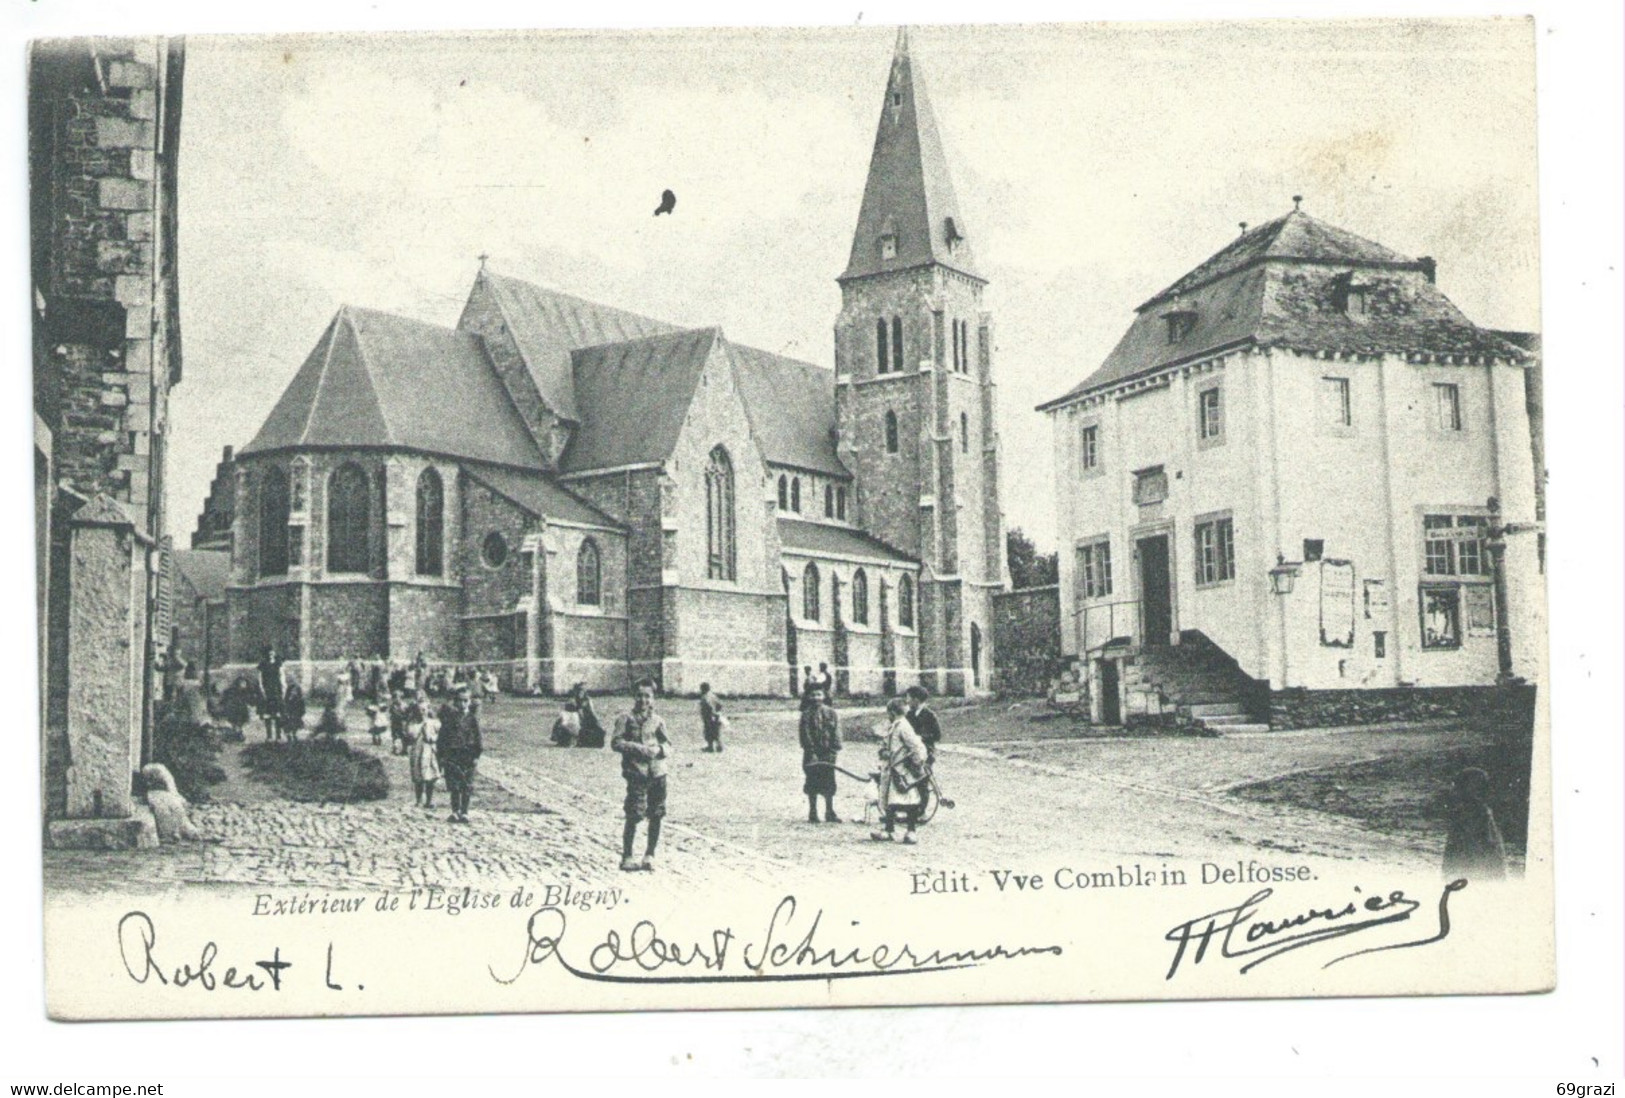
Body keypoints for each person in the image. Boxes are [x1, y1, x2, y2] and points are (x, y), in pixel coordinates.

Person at [611, 679, 671, 872]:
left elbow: (669, 744)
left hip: (658, 772)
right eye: (640, 695)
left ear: (653, 698)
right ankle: (627, 855)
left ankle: (649, 855)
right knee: (634, 813)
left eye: (647, 696)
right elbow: (616, 742)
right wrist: (639, 749)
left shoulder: (658, 720)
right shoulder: (625, 718)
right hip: (636, 773)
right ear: (634, 696)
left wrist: (660, 750)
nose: (643, 700)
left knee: (656, 813)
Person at [873, 697, 929, 844]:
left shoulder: (903, 726)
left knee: (908, 801)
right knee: (891, 801)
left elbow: (916, 746)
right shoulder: (895, 726)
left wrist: (916, 765)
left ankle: (911, 831)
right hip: (892, 769)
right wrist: (884, 752)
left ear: (891, 712)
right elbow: (889, 745)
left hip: (902, 771)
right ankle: (889, 830)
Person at [1443, 767, 1508, 880]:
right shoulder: (1466, 812)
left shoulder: (1478, 813)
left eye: (1456, 787)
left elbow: (1485, 848)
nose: (1452, 791)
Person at [438, 687, 482, 823]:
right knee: (454, 785)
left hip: (467, 755)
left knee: (466, 785)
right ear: (455, 702)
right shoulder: (449, 719)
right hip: (452, 755)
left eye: (465, 701)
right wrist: (441, 756)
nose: (462, 704)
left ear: (469, 702)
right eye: (460, 701)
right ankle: (455, 811)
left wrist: (476, 755)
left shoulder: (472, 719)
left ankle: (465, 812)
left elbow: (478, 738)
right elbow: (442, 738)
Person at [800, 690, 842, 823]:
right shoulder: (806, 715)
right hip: (812, 754)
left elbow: (836, 731)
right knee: (812, 782)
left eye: (819, 694)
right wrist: (811, 751)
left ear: (824, 696)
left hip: (827, 753)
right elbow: (804, 734)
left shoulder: (831, 713)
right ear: (808, 697)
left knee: (829, 781)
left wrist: (834, 750)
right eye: (813, 694)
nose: (816, 697)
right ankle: (813, 812)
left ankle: (829, 811)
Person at [410, 696, 441, 809]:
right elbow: (411, 735)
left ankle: (429, 800)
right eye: (419, 710)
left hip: (429, 752)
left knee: (430, 777)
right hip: (418, 752)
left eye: (424, 709)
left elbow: (439, 735)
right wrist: (421, 725)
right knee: (418, 777)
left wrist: (434, 738)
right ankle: (418, 800)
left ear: (428, 709)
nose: (421, 712)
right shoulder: (414, 724)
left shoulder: (434, 723)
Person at [905, 685, 943, 763]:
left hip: (925, 749)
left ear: (916, 700)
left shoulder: (929, 715)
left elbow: (937, 736)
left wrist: (920, 737)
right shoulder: (909, 714)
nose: (907, 701)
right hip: (910, 748)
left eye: (908, 698)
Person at [256, 646, 285, 741]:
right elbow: (260, 679)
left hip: (276, 690)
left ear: (274, 653)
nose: (271, 654)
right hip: (267, 691)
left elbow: (282, 677)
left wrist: (284, 689)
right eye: (269, 653)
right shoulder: (263, 664)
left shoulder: (278, 664)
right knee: (267, 715)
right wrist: (262, 690)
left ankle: (278, 736)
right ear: (266, 654)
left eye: (272, 652)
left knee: (277, 714)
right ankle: (269, 736)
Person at [573, 683, 606, 748]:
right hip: (582, 717)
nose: (580, 692)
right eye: (579, 690)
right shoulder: (577, 699)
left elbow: (591, 710)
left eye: (582, 691)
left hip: (589, 716)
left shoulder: (587, 699)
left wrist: (596, 718)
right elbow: (579, 710)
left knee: (595, 728)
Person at [698, 682, 725, 752]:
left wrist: (712, 713)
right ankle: (720, 747)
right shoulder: (713, 696)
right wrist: (718, 712)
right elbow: (720, 704)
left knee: (708, 732)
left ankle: (710, 747)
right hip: (716, 717)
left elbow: (708, 706)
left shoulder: (705, 697)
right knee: (716, 733)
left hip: (709, 718)